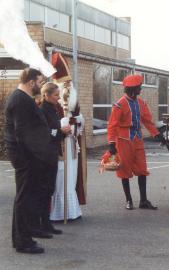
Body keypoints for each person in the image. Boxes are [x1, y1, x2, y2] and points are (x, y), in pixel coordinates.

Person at [4, 68, 57, 254]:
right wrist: (38, 155)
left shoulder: (23, 99)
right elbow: (23, 133)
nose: (41, 85)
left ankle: (24, 235)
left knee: (26, 197)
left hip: (28, 156)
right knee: (24, 198)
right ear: (31, 82)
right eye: (40, 82)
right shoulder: (20, 99)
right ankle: (23, 241)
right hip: (26, 157)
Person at [107, 74, 165, 210]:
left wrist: (156, 134)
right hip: (123, 140)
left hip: (137, 139)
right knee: (124, 170)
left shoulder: (141, 103)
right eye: (139, 87)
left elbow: (147, 121)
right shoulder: (119, 105)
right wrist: (111, 143)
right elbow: (112, 125)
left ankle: (143, 201)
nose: (141, 89)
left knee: (142, 170)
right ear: (132, 89)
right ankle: (129, 200)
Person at [49, 52, 86, 221]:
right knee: (60, 177)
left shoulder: (74, 100)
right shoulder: (51, 102)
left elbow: (80, 119)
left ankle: (71, 210)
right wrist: (62, 125)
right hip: (59, 145)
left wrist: (76, 124)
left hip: (72, 143)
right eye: (66, 82)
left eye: (70, 82)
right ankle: (57, 212)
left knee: (71, 177)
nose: (69, 85)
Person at [38, 82, 71, 233]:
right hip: (45, 153)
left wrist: (61, 131)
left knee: (49, 188)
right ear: (47, 95)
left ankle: (46, 222)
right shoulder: (42, 110)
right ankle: (41, 223)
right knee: (44, 189)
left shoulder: (52, 108)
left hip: (52, 152)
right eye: (56, 95)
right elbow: (46, 131)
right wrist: (60, 131)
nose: (58, 98)